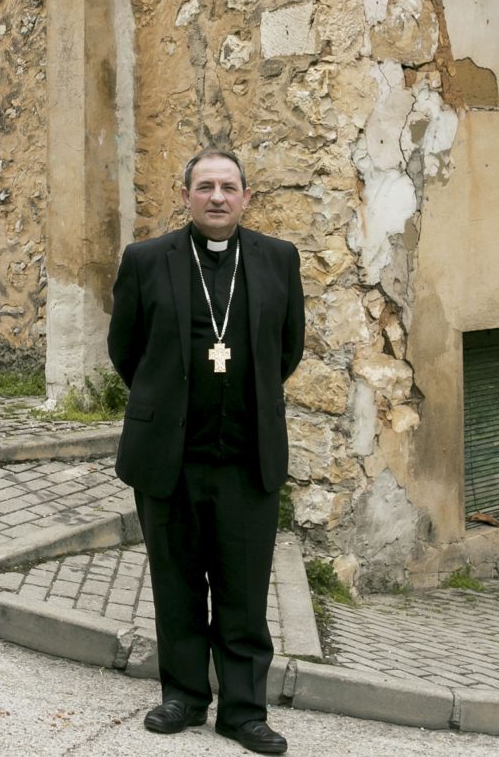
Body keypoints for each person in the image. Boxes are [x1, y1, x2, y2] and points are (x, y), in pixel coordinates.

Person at [107, 149, 304, 755]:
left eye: (228, 187)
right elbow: (126, 351)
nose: (217, 197)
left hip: (248, 459)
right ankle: (185, 696)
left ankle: (244, 712)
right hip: (171, 458)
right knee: (177, 583)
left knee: (245, 590)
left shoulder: (277, 259)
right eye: (204, 187)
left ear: (246, 196)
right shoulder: (146, 260)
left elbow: (288, 349)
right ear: (186, 195)